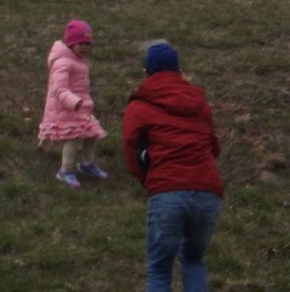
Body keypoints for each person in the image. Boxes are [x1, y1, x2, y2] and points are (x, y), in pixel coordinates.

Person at [123, 42, 224, 292]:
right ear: (178, 70)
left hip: (167, 190)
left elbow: (130, 147)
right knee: (194, 260)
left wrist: (147, 179)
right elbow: (213, 146)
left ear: (146, 72)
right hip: (208, 190)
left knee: (159, 268)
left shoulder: (140, 105)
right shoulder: (199, 103)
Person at [37, 18, 108, 188]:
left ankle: (87, 163)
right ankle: (65, 170)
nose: (85, 47)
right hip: (66, 108)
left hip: (80, 108)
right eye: (80, 43)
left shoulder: (79, 61)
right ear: (71, 43)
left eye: (87, 43)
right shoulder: (62, 62)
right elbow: (59, 89)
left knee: (92, 133)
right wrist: (74, 102)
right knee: (73, 138)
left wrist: (82, 102)